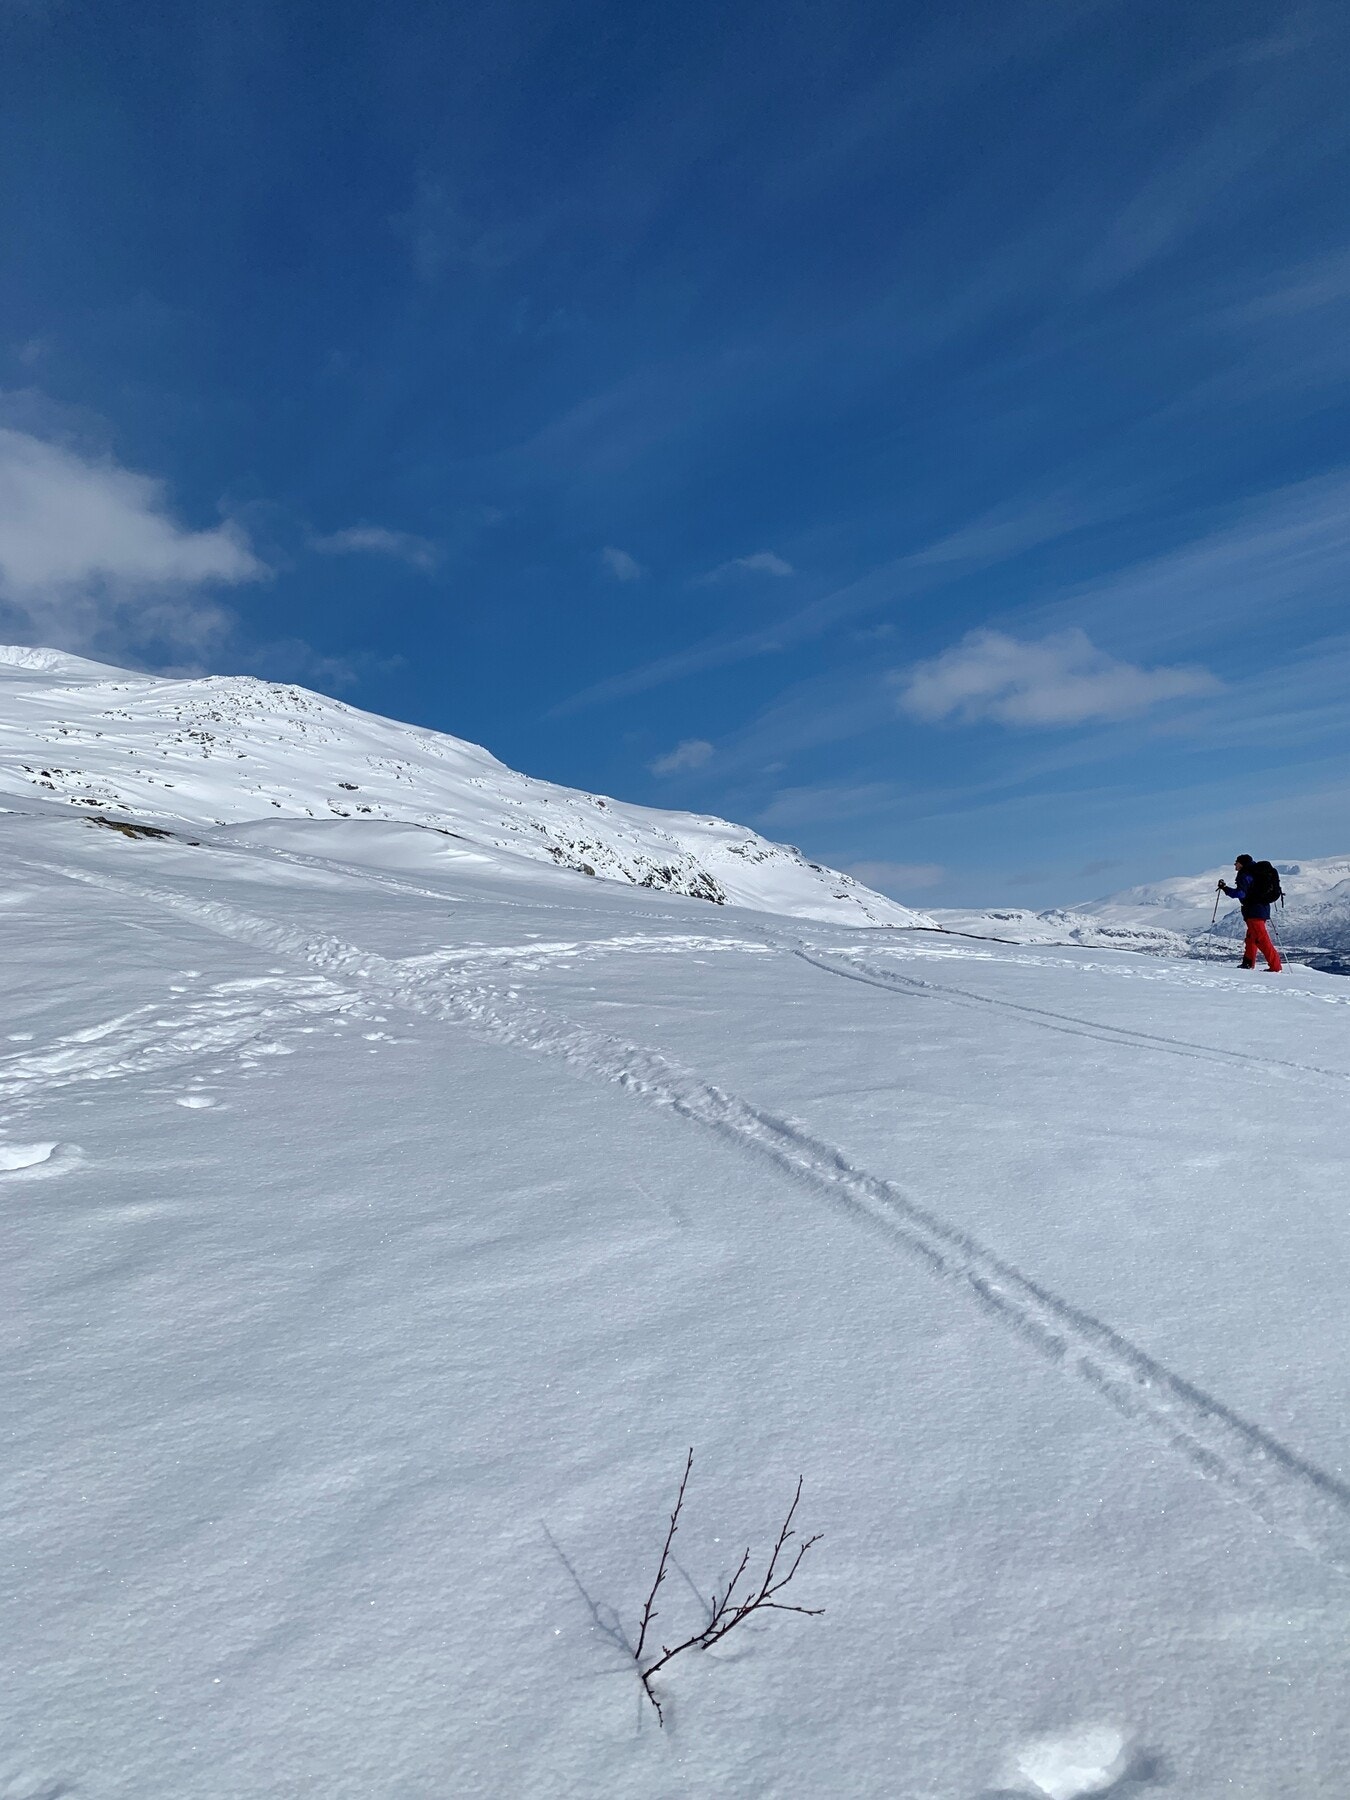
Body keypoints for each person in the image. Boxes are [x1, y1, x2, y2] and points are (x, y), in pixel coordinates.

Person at [1218, 854, 1282, 971]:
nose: (1235, 865)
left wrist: (1225, 889)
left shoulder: (1245, 874)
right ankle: (1247, 963)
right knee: (1251, 937)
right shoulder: (1255, 872)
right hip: (1261, 908)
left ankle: (1275, 966)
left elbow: (1241, 893)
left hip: (1254, 910)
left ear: (1241, 863)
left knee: (1261, 939)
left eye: (1236, 862)